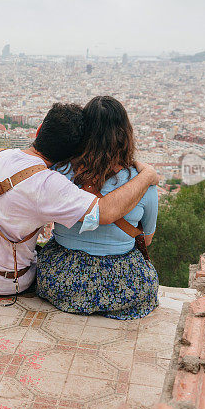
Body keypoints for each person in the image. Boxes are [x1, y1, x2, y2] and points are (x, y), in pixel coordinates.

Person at [0, 102, 159, 296]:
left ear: (39, 131)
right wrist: (147, 175)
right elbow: (105, 212)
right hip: (1, 282)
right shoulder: (49, 184)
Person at [37, 96, 160, 319]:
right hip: (123, 284)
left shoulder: (59, 173)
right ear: (125, 135)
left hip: (61, 279)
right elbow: (147, 239)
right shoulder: (143, 184)